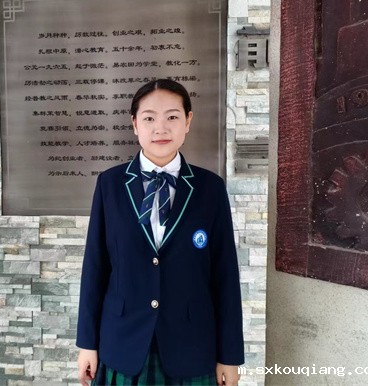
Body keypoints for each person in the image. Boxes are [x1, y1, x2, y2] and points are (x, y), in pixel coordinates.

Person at [76, 79, 244, 386]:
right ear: (135, 124)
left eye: (172, 117)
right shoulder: (110, 185)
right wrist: (87, 343)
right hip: (123, 343)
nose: (161, 128)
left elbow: (225, 277)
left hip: (191, 347)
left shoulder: (210, 188)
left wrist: (229, 356)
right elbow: (95, 268)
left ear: (188, 121)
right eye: (149, 118)